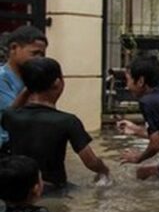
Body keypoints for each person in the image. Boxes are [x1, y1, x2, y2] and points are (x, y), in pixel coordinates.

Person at [2, 58, 111, 194]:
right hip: (53, 189)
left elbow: (11, 109)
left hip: (16, 187)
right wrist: (104, 170)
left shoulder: (11, 116)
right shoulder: (68, 121)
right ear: (58, 83)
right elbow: (91, 162)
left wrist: (29, 88)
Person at [0, 25, 48, 149]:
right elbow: (12, 115)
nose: (39, 59)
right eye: (34, 53)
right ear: (14, 48)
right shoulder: (2, 78)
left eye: (42, 54)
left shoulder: (31, 77)